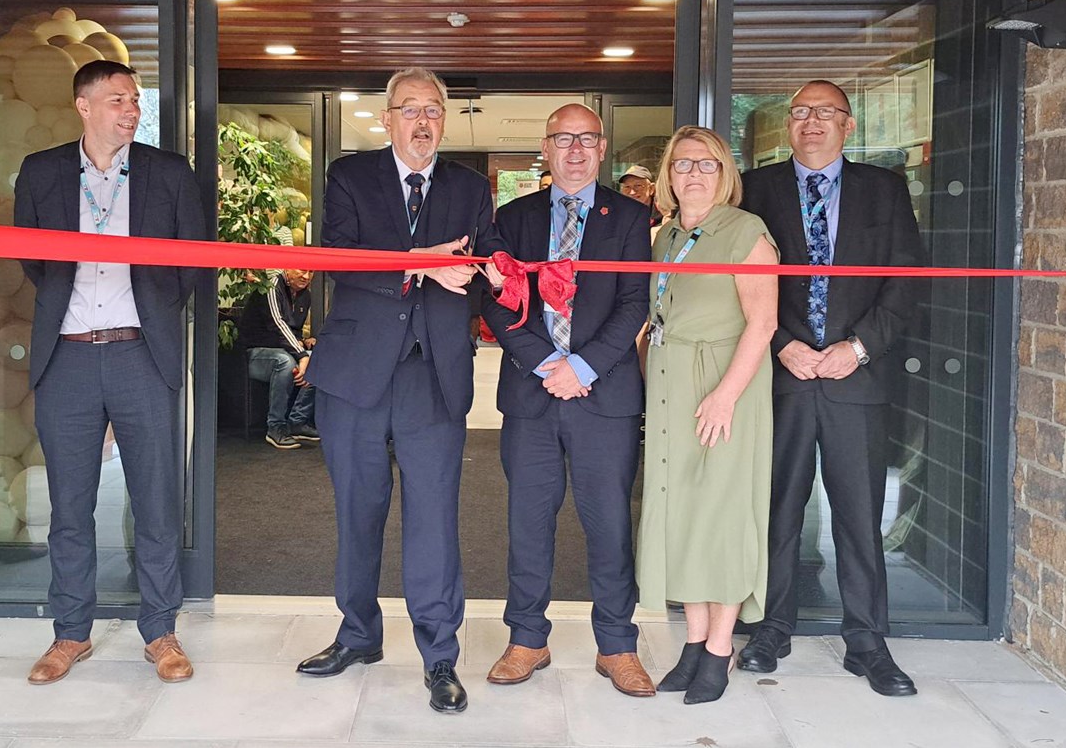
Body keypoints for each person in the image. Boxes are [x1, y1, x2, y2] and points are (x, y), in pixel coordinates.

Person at [296, 67, 503, 715]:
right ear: (387, 119)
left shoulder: (470, 187)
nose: (422, 120)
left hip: (431, 374)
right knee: (358, 510)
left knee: (435, 520)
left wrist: (475, 273)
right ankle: (358, 634)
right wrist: (421, 265)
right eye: (408, 108)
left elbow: (487, 263)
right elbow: (339, 259)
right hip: (355, 372)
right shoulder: (349, 176)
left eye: (433, 109)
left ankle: (440, 656)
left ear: (445, 120)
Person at [13, 59, 205, 685]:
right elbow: (35, 262)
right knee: (71, 505)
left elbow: (192, 263)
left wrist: (147, 310)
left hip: (138, 353)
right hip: (65, 354)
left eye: (135, 99)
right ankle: (70, 633)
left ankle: (161, 631)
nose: (131, 109)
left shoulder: (169, 173)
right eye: (118, 99)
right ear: (84, 106)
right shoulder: (41, 172)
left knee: (154, 499)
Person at [738, 80, 925, 697]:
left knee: (858, 515)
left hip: (858, 378)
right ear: (786, 126)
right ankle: (771, 626)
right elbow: (736, 286)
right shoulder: (755, 189)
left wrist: (858, 347)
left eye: (825, 113)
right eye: (799, 112)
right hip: (782, 375)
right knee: (777, 510)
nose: (811, 122)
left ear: (848, 126)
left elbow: (905, 282)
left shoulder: (884, 189)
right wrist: (781, 343)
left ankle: (867, 642)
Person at [480, 104, 655, 697]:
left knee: (608, 524)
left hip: (602, 395)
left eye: (586, 139)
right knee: (528, 522)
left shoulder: (631, 217)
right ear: (546, 147)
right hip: (532, 394)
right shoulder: (512, 217)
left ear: (602, 148)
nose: (575, 150)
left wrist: (582, 366)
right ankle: (527, 638)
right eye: (563, 139)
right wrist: (546, 361)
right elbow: (496, 302)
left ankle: (617, 646)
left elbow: (636, 301)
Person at [635, 126, 778, 704]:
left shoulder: (745, 233)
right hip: (671, 386)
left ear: (726, 174)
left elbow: (763, 324)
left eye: (707, 165)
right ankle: (693, 642)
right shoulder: (665, 236)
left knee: (719, 514)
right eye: (683, 164)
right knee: (683, 512)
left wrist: (724, 396)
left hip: (724, 385)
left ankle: (720, 648)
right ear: (668, 174)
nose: (693, 174)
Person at [238, 268, 319, 449]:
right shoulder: (272, 288)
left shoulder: (305, 296)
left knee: (318, 361)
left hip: (283, 349)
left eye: (311, 272)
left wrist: (304, 343)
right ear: (288, 268)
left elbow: (293, 330)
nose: (306, 276)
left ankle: (297, 421)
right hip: (254, 353)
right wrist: (301, 355)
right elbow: (278, 325)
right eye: (301, 270)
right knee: (285, 362)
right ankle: (276, 427)